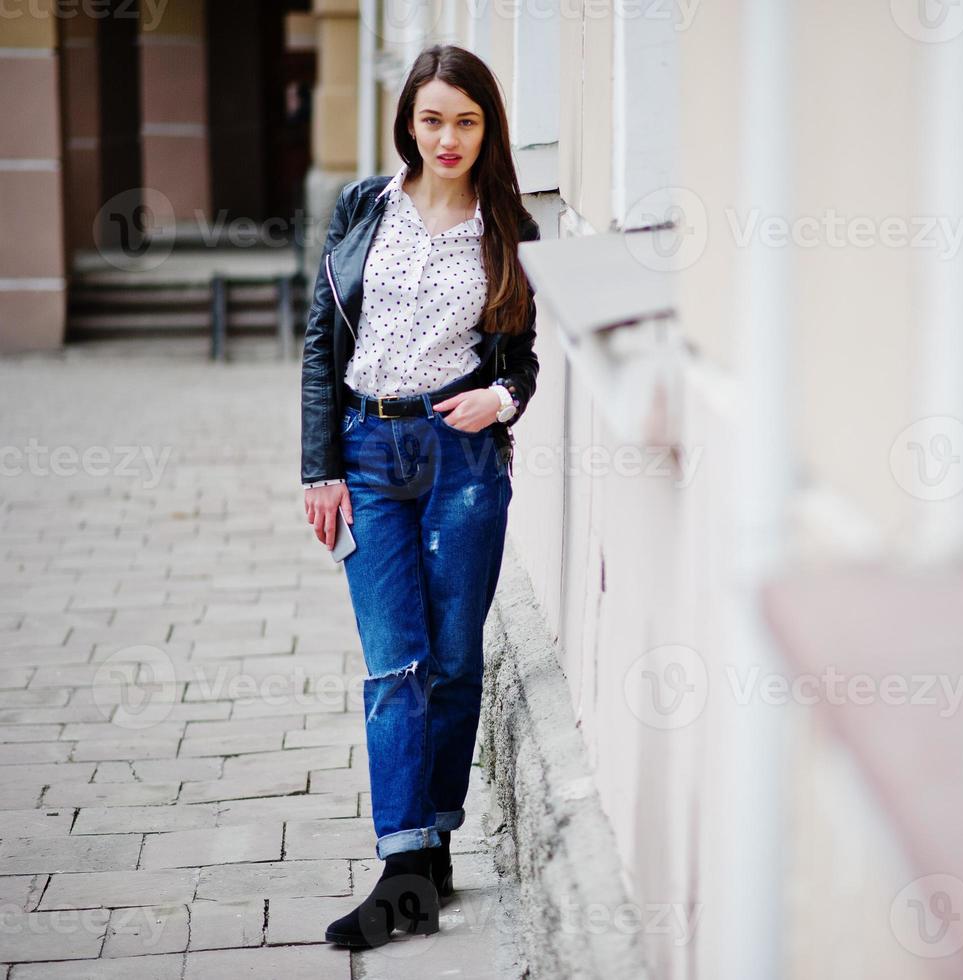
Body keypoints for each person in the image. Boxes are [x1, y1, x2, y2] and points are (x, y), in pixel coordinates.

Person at [298, 43, 540, 949]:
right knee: (394, 660)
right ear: (408, 120)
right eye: (432, 119)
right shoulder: (364, 207)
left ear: (488, 130)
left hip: (461, 458)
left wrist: (502, 397)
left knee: (453, 660)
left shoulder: (507, 226)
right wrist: (317, 468)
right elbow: (323, 346)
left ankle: (434, 843)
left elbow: (522, 358)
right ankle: (404, 869)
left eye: (466, 121)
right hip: (366, 451)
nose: (447, 137)